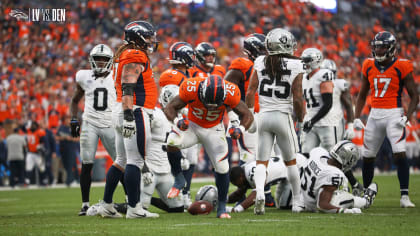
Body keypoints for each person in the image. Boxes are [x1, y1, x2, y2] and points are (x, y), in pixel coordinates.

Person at [164, 75, 254, 218]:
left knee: (223, 168)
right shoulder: (190, 87)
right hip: (192, 126)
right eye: (209, 102)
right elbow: (170, 107)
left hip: (214, 130)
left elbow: (247, 115)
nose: (211, 106)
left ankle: (222, 207)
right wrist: (177, 121)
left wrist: (240, 129)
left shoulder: (231, 91)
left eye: (216, 103)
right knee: (171, 141)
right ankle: (179, 178)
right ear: (201, 92)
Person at [98, 20, 160, 219]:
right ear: (138, 37)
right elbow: (128, 85)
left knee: (121, 160)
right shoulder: (135, 54)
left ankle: (106, 205)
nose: (152, 41)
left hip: (124, 109)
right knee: (135, 160)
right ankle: (134, 208)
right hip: (134, 110)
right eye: (149, 37)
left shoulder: (125, 53)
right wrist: (129, 115)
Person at [354, 31, 419, 208]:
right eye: (376, 46)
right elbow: (362, 94)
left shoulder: (402, 65)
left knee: (399, 153)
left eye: (382, 46)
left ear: (391, 48)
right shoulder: (368, 64)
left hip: (393, 113)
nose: (378, 50)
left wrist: (408, 115)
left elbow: (414, 95)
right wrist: (356, 117)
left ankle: (404, 196)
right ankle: (367, 194)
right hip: (375, 114)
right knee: (367, 157)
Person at [245, 28, 305, 214]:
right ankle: (297, 202)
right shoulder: (296, 65)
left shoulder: (259, 61)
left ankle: (261, 193)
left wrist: (250, 114)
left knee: (261, 162)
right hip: (282, 116)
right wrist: (301, 120)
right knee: (291, 162)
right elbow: (297, 98)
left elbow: (250, 92)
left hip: (263, 116)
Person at [70, 44, 118, 216]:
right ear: (91, 60)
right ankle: (85, 204)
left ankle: (131, 201)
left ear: (110, 61)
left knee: (121, 163)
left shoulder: (116, 75)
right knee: (86, 163)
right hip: (90, 123)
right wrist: (74, 119)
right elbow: (75, 100)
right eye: (97, 58)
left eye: (104, 59)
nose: (100, 62)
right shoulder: (84, 76)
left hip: (110, 123)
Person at [158, 42, 197, 208]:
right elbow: (169, 102)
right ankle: (179, 191)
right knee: (181, 160)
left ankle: (185, 193)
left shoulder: (185, 75)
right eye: (190, 55)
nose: (193, 59)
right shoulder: (172, 76)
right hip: (175, 120)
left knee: (191, 159)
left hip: (187, 120)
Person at [319, 59, 364, 196]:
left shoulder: (339, 85)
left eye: (330, 73)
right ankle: (354, 184)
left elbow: (349, 105)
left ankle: (343, 185)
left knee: (335, 156)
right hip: (319, 124)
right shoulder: (314, 84)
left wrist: (350, 125)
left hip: (334, 124)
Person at [300, 141, 377, 213]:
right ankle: (366, 201)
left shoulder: (318, 152)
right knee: (343, 195)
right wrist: (345, 211)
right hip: (311, 205)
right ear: (348, 159)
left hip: (301, 198)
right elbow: (322, 205)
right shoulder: (334, 173)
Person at [139, 90, 185, 213]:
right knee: (141, 207)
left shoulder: (179, 120)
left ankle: (139, 200)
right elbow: (139, 139)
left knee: (178, 208)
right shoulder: (154, 114)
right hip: (150, 167)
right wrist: (143, 167)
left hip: (166, 170)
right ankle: (113, 206)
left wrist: (183, 158)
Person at [300, 48, 336, 153]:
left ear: (316, 61)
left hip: (325, 122)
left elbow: (328, 104)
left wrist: (312, 121)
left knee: (330, 156)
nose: (304, 63)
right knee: (306, 153)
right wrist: (306, 120)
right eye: (304, 60)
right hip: (310, 121)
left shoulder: (323, 74)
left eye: (307, 60)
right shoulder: (304, 78)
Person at [56, 116, 79, 186]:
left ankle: (69, 181)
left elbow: (78, 138)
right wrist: (64, 137)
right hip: (63, 149)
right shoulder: (61, 128)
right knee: (66, 165)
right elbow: (56, 137)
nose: (67, 121)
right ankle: (76, 179)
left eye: (68, 120)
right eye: (66, 119)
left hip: (71, 149)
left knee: (70, 165)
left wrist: (71, 138)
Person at [25, 121, 48, 185]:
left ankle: (44, 181)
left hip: (38, 153)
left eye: (34, 125)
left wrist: (43, 148)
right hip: (30, 153)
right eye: (32, 125)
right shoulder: (28, 131)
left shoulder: (39, 132)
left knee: (42, 168)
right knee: (28, 167)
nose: (32, 126)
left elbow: (44, 141)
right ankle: (27, 182)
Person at [6, 120, 27, 187]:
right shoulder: (21, 138)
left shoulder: (8, 138)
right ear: (18, 132)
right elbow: (25, 146)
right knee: (21, 171)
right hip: (19, 156)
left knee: (12, 171)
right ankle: (21, 182)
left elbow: (7, 146)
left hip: (11, 156)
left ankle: (12, 184)